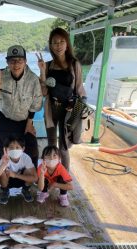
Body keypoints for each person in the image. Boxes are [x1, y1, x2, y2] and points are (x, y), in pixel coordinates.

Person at [37, 27, 87, 171]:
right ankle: (50, 174)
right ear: (50, 45)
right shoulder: (47, 65)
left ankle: (64, 179)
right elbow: (44, 92)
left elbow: (79, 89)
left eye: (61, 42)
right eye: (54, 43)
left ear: (67, 44)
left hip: (69, 110)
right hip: (51, 109)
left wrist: (79, 113)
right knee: (51, 144)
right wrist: (41, 71)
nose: (58, 46)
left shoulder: (74, 64)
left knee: (64, 146)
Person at [0, 45, 43, 168]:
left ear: (25, 61)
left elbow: (37, 102)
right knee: (0, 151)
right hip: (5, 118)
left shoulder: (32, 79)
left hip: (25, 120)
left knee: (32, 150)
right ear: (7, 62)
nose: (16, 64)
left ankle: (28, 181)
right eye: (12, 61)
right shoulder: (0, 76)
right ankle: (2, 181)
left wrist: (30, 122)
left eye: (19, 60)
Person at [0, 135, 38, 205]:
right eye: (11, 148)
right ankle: (5, 191)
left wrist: (15, 175)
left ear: (23, 149)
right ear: (6, 149)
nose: (14, 150)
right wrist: (4, 164)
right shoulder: (4, 159)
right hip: (7, 181)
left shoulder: (26, 158)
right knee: (2, 172)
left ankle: (25, 189)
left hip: (21, 179)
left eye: (17, 147)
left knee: (29, 171)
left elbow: (35, 178)